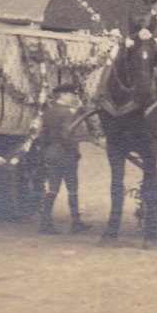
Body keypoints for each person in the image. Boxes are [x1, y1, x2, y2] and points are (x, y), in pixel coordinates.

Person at [37, 87, 93, 235]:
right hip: (66, 154)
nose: (73, 98)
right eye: (71, 95)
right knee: (72, 189)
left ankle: (46, 224)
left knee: (52, 189)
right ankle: (76, 223)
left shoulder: (48, 112)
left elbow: (43, 135)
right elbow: (66, 134)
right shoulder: (67, 113)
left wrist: (46, 151)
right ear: (63, 95)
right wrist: (74, 151)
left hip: (51, 153)